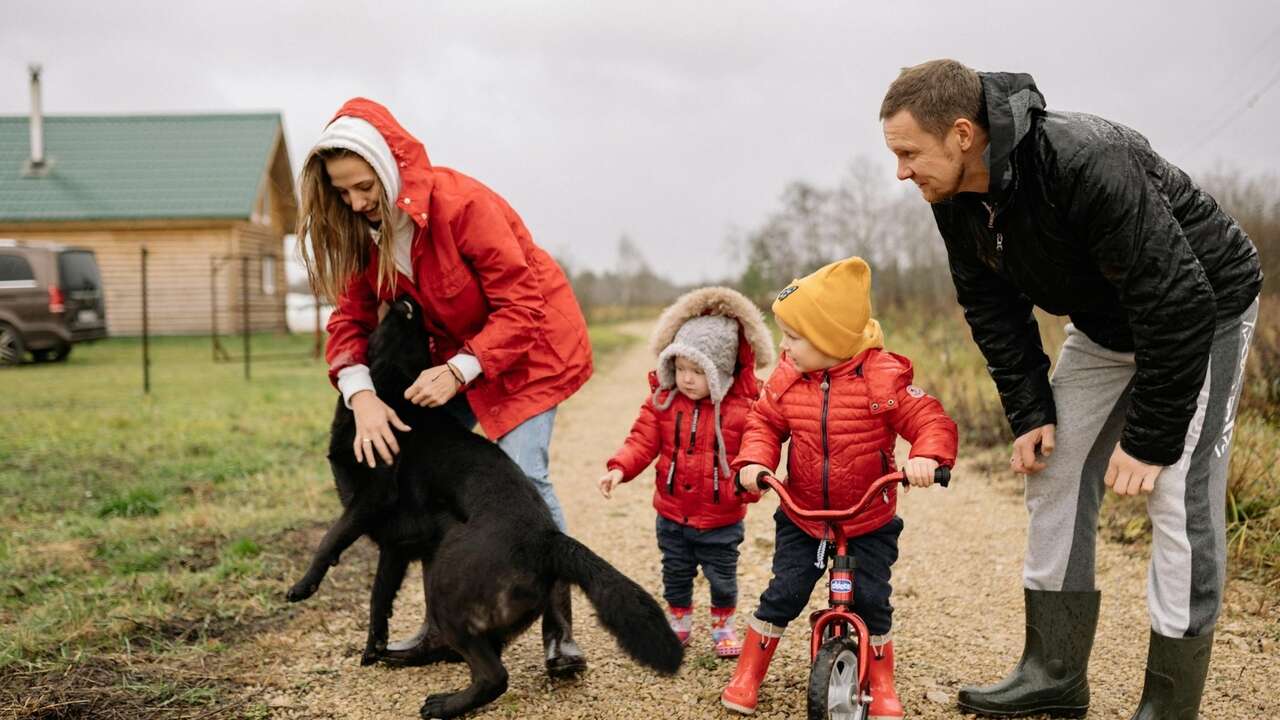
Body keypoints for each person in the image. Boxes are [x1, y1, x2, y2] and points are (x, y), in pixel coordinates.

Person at [880, 59, 1263, 719]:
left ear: (964, 134)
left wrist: (1148, 440)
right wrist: (1029, 410)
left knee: (1177, 495)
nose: (901, 172)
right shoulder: (953, 199)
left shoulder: (1089, 160)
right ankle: (1052, 674)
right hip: (1107, 325)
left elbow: (1176, 301)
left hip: (1204, 312)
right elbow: (993, 311)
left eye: (909, 153)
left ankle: (1169, 706)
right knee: (1051, 468)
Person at [296, 97, 595, 677]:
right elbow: (349, 322)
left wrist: (461, 370)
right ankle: (442, 622)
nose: (356, 204)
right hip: (451, 357)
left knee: (523, 473)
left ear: (387, 169)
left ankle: (559, 626)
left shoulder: (465, 207)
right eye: (342, 193)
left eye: (363, 188)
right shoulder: (370, 234)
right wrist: (360, 396)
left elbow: (521, 306)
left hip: (531, 348)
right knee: (427, 480)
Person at [720, 257, 958, 719]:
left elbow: (928, 417)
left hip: (868, 517)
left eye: (793, 337)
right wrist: (754, 462)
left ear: (830, 339)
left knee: (871, 600)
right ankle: (747, 673)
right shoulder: (787, 381)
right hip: (804, 515)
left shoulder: (882, 377)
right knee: (785, 591)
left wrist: (928, 455)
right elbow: (763, 425)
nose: (784, 349)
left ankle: (882, 682)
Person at [599, 287, 773, 658]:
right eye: (680, 368)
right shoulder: (663, 402)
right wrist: (619, 468)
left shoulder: (743, 411)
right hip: (672, 513)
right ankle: (679, 619)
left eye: (698, 371)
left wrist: (753, 483)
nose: (687, 379)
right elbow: (641, 441)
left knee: (722, 577)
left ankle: (723, 623)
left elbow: (756, 452)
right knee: (675, 573)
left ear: (722, 371)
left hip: (721, 517)